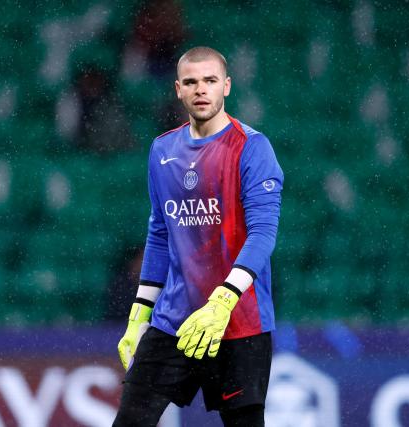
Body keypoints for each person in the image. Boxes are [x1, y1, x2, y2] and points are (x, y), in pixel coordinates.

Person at [112, 46, 283, 427]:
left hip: (239, 323)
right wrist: (139, 314)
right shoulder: (162, 150)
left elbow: (263, 234)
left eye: (209, 80)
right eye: (191, 82)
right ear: (178, 89)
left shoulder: (252, 148)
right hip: (175, 321)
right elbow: (160, 234)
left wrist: (223, 301)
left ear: (226, 86)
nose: (200, 89)